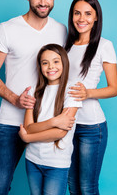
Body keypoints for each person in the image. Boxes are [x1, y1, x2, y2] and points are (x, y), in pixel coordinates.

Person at [0, 0, 74, 195]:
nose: (43, 2)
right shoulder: (7, 29)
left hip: (48, 122)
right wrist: (15, 98)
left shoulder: (61, 30)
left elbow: (69, 71)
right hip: (12, 121)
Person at [65, 0, 117, 194]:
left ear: (96, 17)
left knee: (87, 187)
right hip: (67, 125)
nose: (82, 18)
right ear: (71, 16)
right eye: (77, 13)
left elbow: (114, 88)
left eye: (88, 14)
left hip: (91, 127)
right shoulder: (66, 45)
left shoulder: (105, 45)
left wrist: (87, 93)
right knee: (72, 184)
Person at [18, 44, 82, 195]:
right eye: (45, 63)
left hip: (56, 163)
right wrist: (54, 122)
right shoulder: (34, 90)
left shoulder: (72, 90)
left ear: (64, 63)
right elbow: (29, 127)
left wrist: (28, 137)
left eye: (56, 61)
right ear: (40, 66)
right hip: (32, 159)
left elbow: (60, 133)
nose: (50, 67)